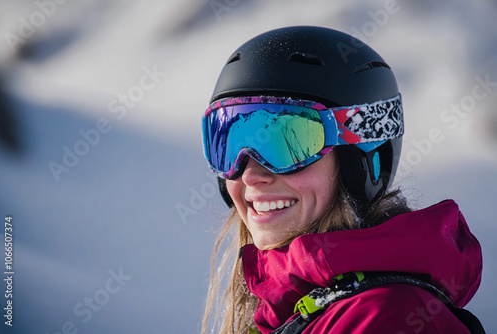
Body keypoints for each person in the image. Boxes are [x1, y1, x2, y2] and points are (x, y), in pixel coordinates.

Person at [200, 26, 483, 334]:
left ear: (359, 160)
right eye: (227, 143)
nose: (252, 174)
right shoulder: (292, 308)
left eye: (288, 142)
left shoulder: (387, 317)